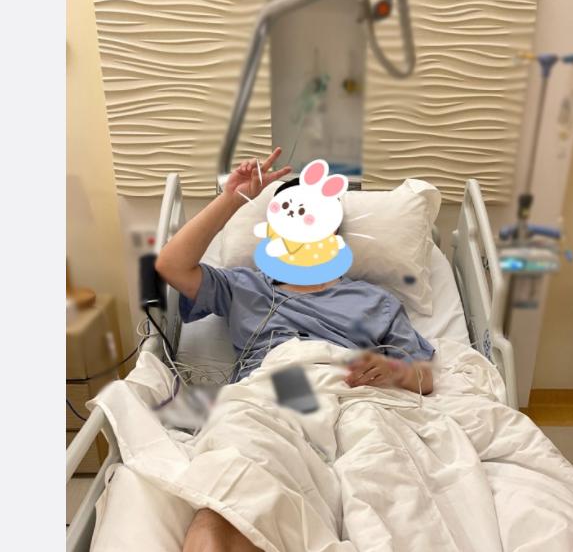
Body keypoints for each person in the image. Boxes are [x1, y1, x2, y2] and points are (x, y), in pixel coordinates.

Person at [156, 146, 435, 552]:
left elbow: (425, 376)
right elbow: (171, 266)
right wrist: (232, 199)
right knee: (229, 488)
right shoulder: (244, 286)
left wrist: (396, 371)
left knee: (380, 478)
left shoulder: (374, 299)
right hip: (269, 395)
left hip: (352, 398)